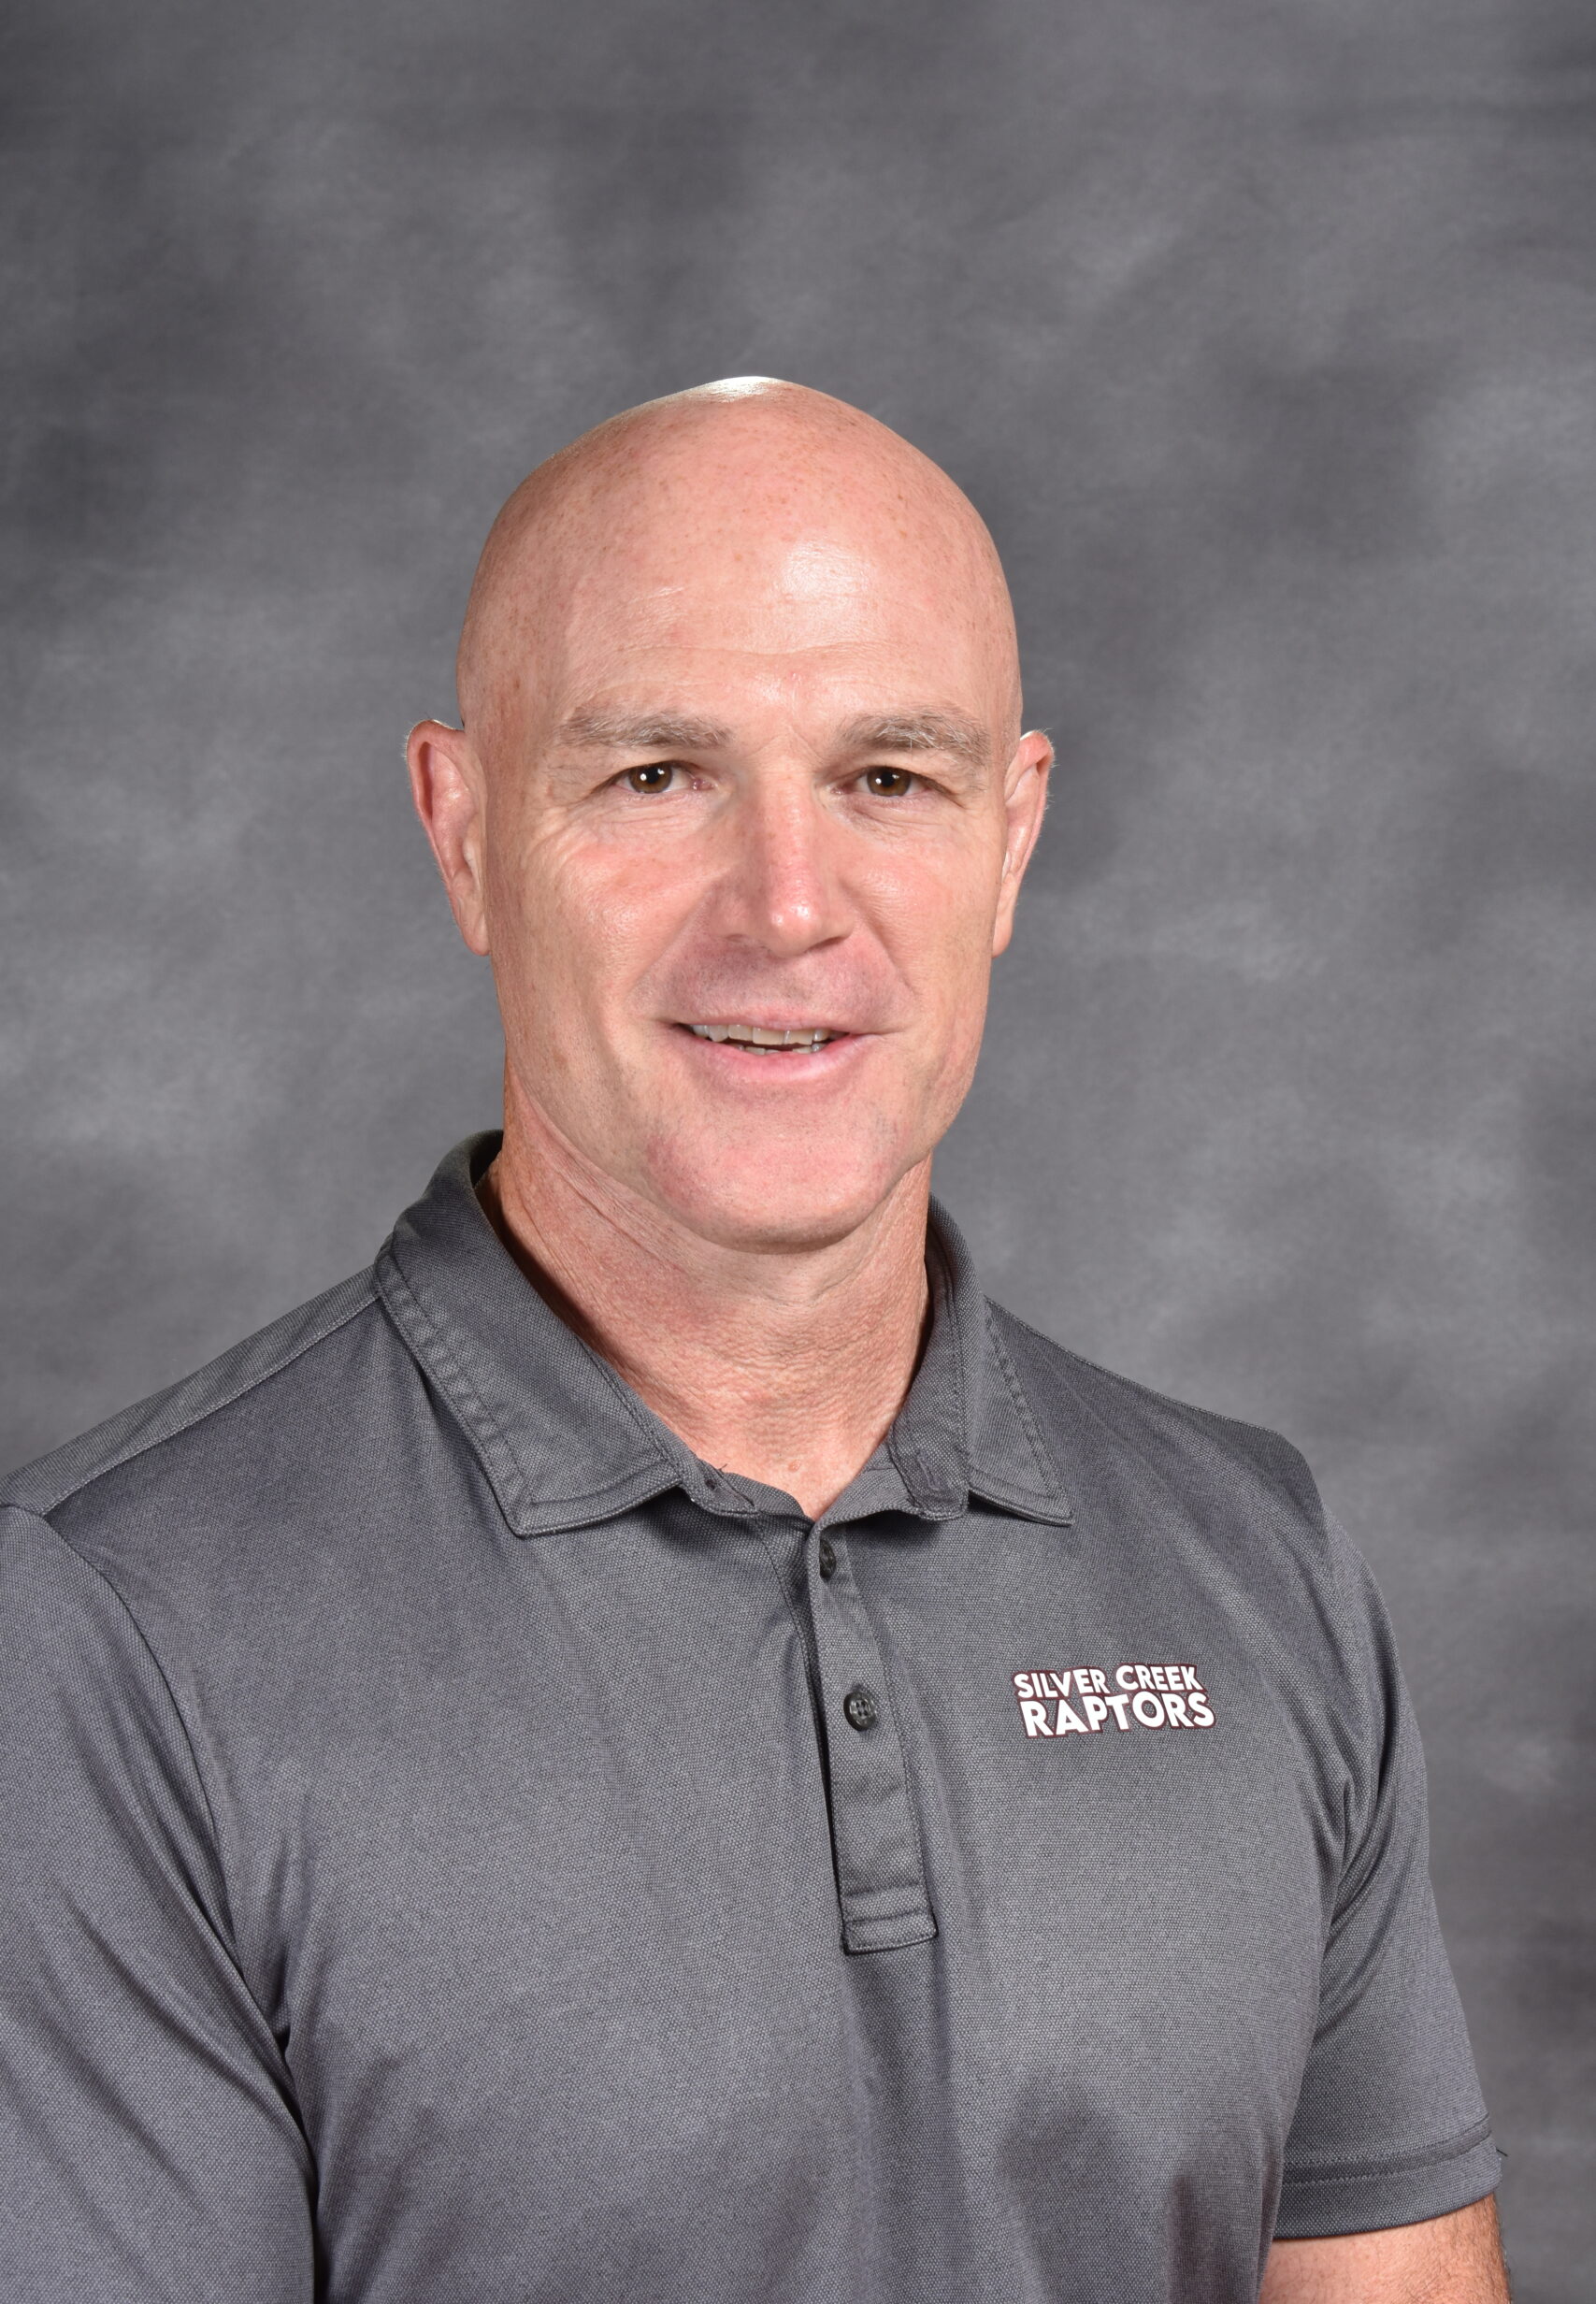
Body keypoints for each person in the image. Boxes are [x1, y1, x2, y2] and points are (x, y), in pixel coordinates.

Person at [0, 378, 1510, 2303]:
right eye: (656, 775)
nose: (788, 906)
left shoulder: (1257, 1563)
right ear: (462, 829)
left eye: (888, 776)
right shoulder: (104, 1630)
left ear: (1013, 834)